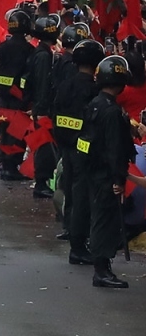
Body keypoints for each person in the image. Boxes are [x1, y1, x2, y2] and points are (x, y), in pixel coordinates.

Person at [78, 55, 136, 288]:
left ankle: (103, 266)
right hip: (106, 175)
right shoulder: (112, 112)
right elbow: (114, 149)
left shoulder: (95, 104)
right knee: (104, 220)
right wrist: (118, 178)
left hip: (94, 172)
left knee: (100, 217)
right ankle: (101, 270)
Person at [56, 39, 103, 262]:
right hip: (84, 151)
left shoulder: (66, 85)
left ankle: (71, 232)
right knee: (82, 197)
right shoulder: (93, 90)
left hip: (66, 146)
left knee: (72, 193)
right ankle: (78, 246)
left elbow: (56, 114)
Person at [0, 9, 35, 181]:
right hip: (20, 99)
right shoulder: (29, 50)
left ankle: (4, 164)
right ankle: (11, 167)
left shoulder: (2, 48)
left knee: (5, 131)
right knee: (17, 134)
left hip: (4, 98)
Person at [25, 14, 62, 199]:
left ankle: (43, 181)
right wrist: (40, 109)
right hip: (43, 110)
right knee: (44, 147)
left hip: (41, 107)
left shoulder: (42, 52)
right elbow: (42, 84)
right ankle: (41, 183)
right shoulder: (43, 56)